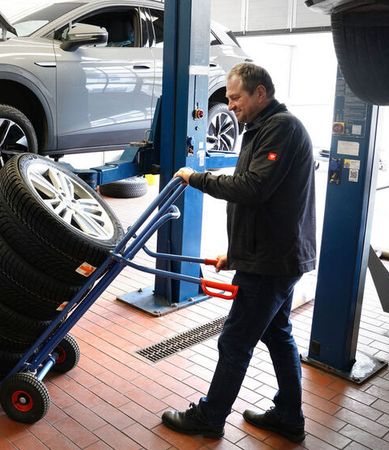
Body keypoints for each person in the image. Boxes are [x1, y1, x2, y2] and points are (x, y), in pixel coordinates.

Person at [161, 62, 316, 443]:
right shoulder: (261, 129)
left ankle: (210, 417)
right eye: (229, 99)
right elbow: (262, 201)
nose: (230, 105)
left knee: (235, 341)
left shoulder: (282, 128)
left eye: (235, 98)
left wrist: (195, 178)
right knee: (277, 333)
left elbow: (252, 188)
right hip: (272, 255)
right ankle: (288, 416)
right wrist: (235, 255)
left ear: (260, 93)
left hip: (272, 262)